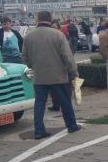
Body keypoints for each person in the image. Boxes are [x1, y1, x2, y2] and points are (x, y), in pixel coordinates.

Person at [22, 10, 81, 139]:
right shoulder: (58, 35)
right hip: (58, 76)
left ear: (38, 19)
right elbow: (68, 57)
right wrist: (74, 73)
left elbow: (25, 58)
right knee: (65, 102)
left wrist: (35, 67)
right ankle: (71, 126)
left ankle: (39, 131)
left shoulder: (28, 36)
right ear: (50, 19)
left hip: (39, 77)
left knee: (39, 105)